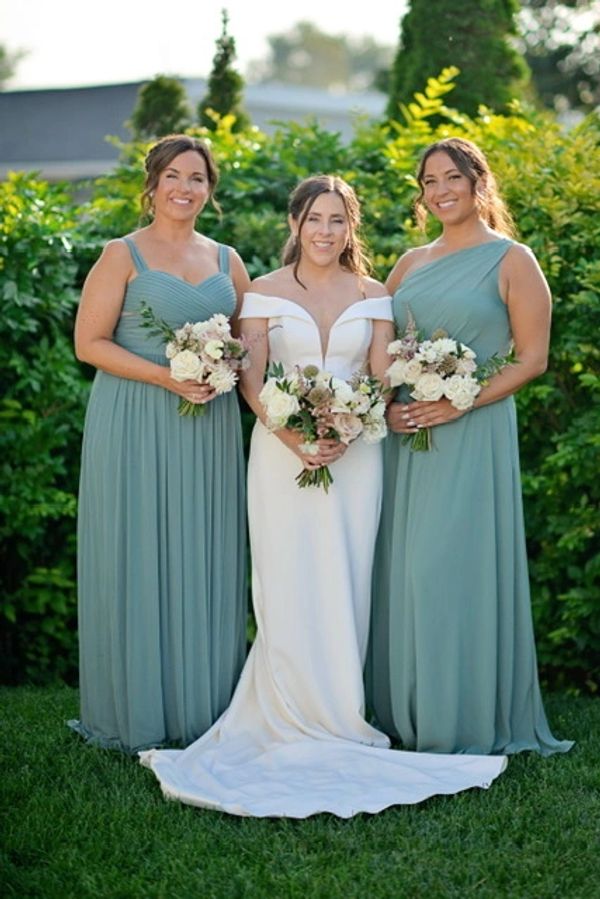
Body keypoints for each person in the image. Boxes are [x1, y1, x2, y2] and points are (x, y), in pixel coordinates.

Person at [139, 174, 506, 818]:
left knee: (346, 578)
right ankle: (281, 711)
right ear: (295, 224)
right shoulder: (262, 293)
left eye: (337, 220)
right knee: (285, 580)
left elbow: (377, 374)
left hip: (358, 457)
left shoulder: (375, 294)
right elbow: (250, 376)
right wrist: (291, 434)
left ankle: (340, 714)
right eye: (314, 219)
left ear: (350, 227)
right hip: (280, 457)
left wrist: (347, 423)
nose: (325, 232)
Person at [368, 137, 573, 757]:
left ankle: (457, 716)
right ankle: (401, 711)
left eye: (451, 177)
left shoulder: (513, 260)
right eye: (429, 181)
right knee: (401, 570)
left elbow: (532, 359)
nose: (441, 191)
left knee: (447, 568)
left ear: (478, 180)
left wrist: (461, 400)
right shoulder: (407, 263)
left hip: (472, 432)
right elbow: (377, 347)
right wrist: (386, 404)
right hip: (408, 437)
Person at [69, 134, 250, 753]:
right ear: (152, 185)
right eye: (173, 175)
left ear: (210, 190)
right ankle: (137, 708)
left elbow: (249, 350)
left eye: (196, 178)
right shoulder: (122, 255)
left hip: (210, 428)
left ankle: (206, 706)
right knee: (138, 547)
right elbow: (88, 343)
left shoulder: (229, 261)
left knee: (205, 548)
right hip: (135, 418)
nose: (184, 188)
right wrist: (164, 375)